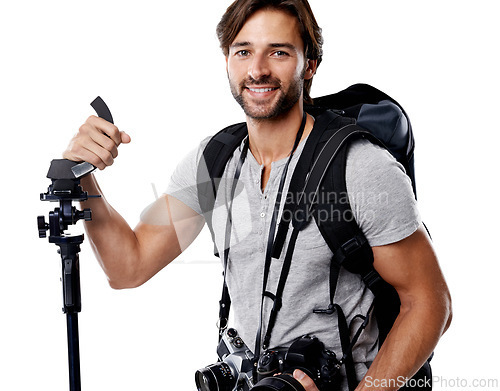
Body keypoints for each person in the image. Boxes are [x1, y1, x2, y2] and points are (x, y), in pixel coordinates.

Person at [63, 1, 452, 390]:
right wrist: (82, 179)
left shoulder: (359, 167)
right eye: (243, 51)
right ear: (227, 60)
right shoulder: (214, 162)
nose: (257, 69)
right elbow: (129, 267)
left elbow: (430, 304)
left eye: (278, 52)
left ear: (309, 64)